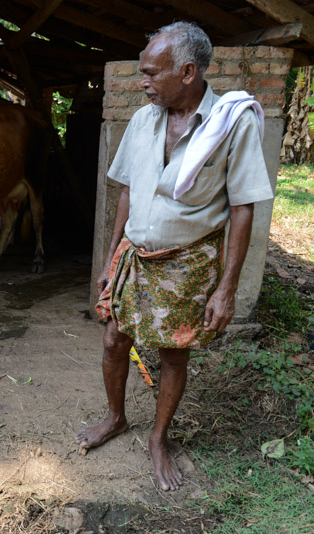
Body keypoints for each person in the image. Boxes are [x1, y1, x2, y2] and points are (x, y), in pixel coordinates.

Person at [76, 22, 275, 491]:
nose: (141, 82)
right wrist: (109, 261)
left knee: (172, 355)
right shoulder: (146, 118)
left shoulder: (232, 123)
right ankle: (116, 417)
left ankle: (158, 439)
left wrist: (227, 288)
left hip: (187, 262)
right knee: (112, 341)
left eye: (150, 73)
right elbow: (127, 192)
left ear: (187, 72)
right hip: (134, 256)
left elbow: (243, 206)